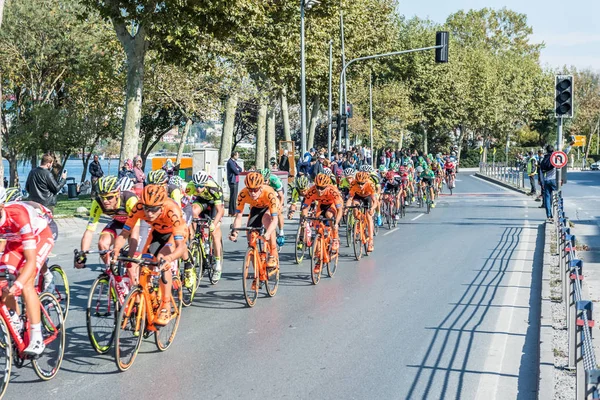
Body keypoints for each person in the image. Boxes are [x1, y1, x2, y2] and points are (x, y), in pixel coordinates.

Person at [112, 184, 188, 326]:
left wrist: (169, 259)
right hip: (156, 233)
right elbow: (125, 233)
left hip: (175, 234)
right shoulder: (138, 207)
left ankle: (165, 306)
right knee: (144, 265)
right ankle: (146, 300)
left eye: (154, 209)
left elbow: (181, 246)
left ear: (161, 206)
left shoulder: (172, 210)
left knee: (161, 260)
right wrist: (116, 249)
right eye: (147, 208)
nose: (149, 213)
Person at [0, 187, 56, 355]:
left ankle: (37, 337)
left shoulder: (18, 214)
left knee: (26, 281)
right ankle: (15, 322)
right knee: (2, 281)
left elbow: (31, 260)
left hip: (40, 235)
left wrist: (18, 283)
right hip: (14, 242)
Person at [75, 176, 139, 272]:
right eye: (102, 197)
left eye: (109, 197)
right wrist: (83, 255)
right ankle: (111, 271)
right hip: (119, 222)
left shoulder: (130, 200)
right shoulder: (97, 203)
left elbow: (135, 232)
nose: (105, 201)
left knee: (132, 266)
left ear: (117, 194)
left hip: (138, 225)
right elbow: (89, 230)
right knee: (102, 243)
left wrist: (130, 257)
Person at [229, 172, 280, 269]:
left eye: (255, 190)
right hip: (256, 208)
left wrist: (268, 233)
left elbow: (275, 220)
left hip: (269, 206)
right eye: (250, 190)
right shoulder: (243, 194)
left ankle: (273, 254)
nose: (252, 193)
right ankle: (257, 271)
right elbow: (238, 216)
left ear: (261, 187)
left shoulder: (269, 193)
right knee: (251, 236)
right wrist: (235, 232)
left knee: (266, 219)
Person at [186, 171, 225, 283]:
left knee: (215, 232)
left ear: (206, 184)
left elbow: (220, 211)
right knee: (192, 211)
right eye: (197, 186)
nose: (198, 189)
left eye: (201, 186)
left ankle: (217, 265)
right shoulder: (190, 186)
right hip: (201, 201)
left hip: (214, 204)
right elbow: (185, 205)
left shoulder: (214, 188)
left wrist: (213, 224)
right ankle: (196, 238)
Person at [301, 173, 344, 269]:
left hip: (333, 204)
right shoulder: (312, 191)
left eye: (322, 188)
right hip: (321, 205)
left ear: (327, 186)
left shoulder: (333, 191)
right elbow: (305, 207)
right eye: (317, 187)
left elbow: (340, 210)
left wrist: (336, 223)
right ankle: (319, 259)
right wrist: (304, 219)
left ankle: (335, 237)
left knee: (329, 215)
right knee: (317, 226)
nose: (319, 190)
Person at [345, 171, 377, 252]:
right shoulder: (353, 183)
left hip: (368, 197)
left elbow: (375, 201)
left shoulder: (370, 184)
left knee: (369, 217)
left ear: (366, 182)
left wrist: (372, 208)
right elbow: (350, 198)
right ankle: (359, 222)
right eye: (358, 183)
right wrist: (346, 208)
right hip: (358, 196)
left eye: (362, 183)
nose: (360, 185)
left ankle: (370, 242)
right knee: (355, 208)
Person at [540, 145, 557, 221]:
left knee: (547, 198)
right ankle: (556, 215)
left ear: (547, 150)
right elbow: (565, 153)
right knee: (556, 197)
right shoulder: (555, 157)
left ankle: (549, 215)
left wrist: (542, 183)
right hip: (554, 180)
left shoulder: (544, 159)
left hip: (546, 180)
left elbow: (541, 172)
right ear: (553, 150)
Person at [226, 151, 243, 217]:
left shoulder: (234, 162)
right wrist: (237, 170)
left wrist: (238, 170)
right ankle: (232, 212)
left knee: (234, 196)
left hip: (236, 181)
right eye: (237, 155)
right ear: (234, 155)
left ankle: (233, 211)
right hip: (232, 181)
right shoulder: (230, 162)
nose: (238, 156)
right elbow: (236, 171)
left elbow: (240, 169)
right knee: (233, 197)